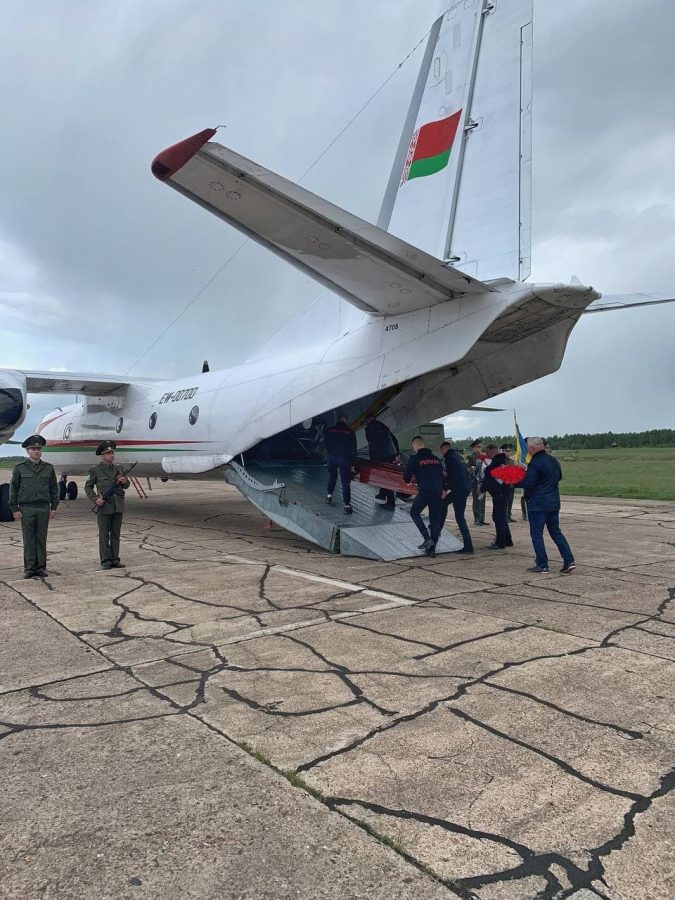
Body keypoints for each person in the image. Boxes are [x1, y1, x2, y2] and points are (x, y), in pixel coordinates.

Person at [520, 436, 575, 574]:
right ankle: (569, 560)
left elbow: (529, 484)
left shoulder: (535, 463)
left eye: (528, 447)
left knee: (537, 534)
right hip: (553, 502)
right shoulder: (553, 460)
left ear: (532, 448)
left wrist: (514, 482)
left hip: (538, 504)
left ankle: (542, 564)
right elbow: (559, 477)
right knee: (556, 532)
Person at [9, 434, 59, 578]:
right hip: (27, 508)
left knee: (41, 539)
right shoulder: (20, 468)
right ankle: (30, 568)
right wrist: (15, 508)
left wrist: (54, 507)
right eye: (33, 449)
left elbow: (53, 488)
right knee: (29, 539)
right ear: (27, 451)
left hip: (43, 507)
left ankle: (41, 568)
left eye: (38, 449)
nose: (36, 451)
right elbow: (14, 489)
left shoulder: (48, 468)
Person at [84, 440, 131, 569]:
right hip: (104, 506)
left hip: (118, 506)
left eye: (112, 453)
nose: (112, 455)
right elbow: (88, 487)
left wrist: (124, 480)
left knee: (116, 534)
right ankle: (105, 560)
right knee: (104, 535)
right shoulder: (95, 470)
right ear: (102, 455)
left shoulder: (118, 468)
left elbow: (126, 486)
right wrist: (96, 499)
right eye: (108, 453)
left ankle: (115, 559)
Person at [403, 436, 444, 557]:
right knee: (434, 520)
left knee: (414, 513)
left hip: (425, 491)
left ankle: (426, 538)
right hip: (438, 491)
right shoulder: (436, 459)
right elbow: (441, 475)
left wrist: (410, 479)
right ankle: (432, 550)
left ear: (415, 446)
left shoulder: (415, 458)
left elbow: (406, 477)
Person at [439, 440, 474, 554]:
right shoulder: (458, 457)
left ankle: (468, 546)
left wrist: (444, 489)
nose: (442, 453)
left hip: (458, 490)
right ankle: (438, 528)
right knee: (444, 505)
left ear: (444, 449)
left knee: (459, 517)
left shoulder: (449, 458)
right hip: (463, 488)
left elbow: (450, 476)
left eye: (442, 450)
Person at [365, 413, 400, 510]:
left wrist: (372, 460)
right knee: (386, 476)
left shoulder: (369, 428)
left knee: (384, 479)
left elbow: (372, 445)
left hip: (380, 457)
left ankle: (390, 503)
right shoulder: (384, 427)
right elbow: (395, 440)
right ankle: (382, 494)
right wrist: (397, 454)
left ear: (368, 420)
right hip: (390, 455)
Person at [481, 444, 513, 550]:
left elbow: (489, 481)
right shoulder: (504, 466)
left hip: (499, 495)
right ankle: (507, 540)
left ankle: (500, 543)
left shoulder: (496, 467)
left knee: (498, 518)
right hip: (504, 495)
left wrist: (481, 489)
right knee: (501, 517)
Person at [324, 413, 357, 514]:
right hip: (344, 458)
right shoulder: (350, 432)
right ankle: (347, 506)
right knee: (345, 482)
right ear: (345, 420)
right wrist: (353, 464)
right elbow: (353, 449)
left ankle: (329, 496)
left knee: (332, 476)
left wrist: (329, 453)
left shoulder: (330, 430)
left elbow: (325, 443)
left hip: (331, 457)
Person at [466, 439, 487, 526]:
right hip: (475, 482)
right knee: (477, 500)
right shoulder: (471, 458)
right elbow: (468, 469)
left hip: (483, 482)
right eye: (478, 447)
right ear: (473, 448)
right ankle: (477, 519)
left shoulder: (482, 457)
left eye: (480, 446)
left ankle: (482, 519)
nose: (479, 448)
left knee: (482, 501)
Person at [500, 443, 517, 523]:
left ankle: (509, 516)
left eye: (509, 451)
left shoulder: (511, 461)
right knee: (505, 501)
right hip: (503, 484)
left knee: (510, 500)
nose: (508, 453)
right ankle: (504, 516)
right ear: (502, 451)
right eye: (506, 451)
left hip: (511, 484)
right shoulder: (500, 461)